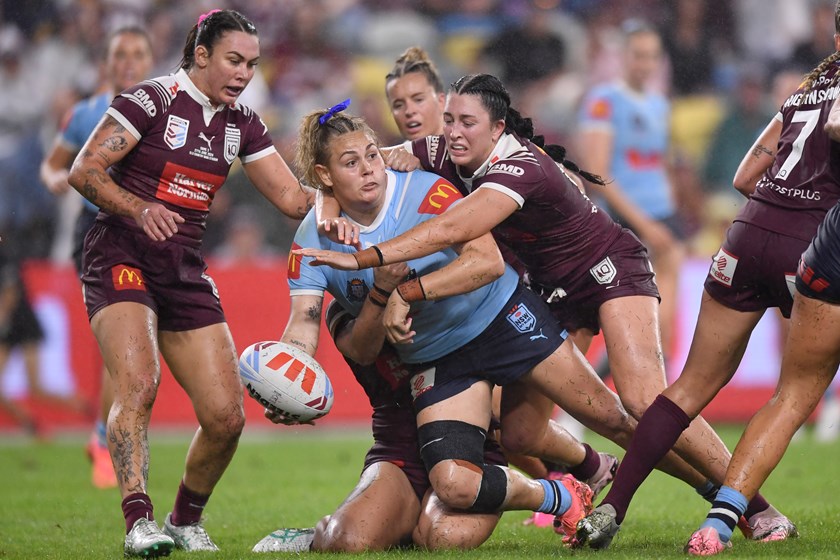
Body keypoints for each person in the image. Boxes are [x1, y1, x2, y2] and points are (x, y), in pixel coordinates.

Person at [299, 73, 781, 533]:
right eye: (448, 120)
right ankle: (613, 473)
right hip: (550, 293)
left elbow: (453, 229)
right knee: (523, 437)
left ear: (499, 128)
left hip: (606, 270)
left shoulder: (520, 167)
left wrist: (369, 262)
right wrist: (328, 209)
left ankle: (750, 504)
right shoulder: (442, 150)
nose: (453, 133)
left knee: (639, 401)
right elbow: (362, 163)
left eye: (467, 123)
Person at [271, 105, 650, 549]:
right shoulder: (314, 244)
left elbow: (486, 261)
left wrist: (403, 293)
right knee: (360, 540)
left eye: (372, 155)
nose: (369, 170)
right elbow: (322, 336)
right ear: (325, 174)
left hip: (491, 338)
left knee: (608, 414)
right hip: (412, 412)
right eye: (351, 163)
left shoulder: (425, 190)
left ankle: (724, 497)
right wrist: (285, 380)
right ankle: (560, 489)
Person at [66, 10, 355, 558]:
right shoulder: (149, 101)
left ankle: (183, 520)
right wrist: (138, 207)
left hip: (182, 268)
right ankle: (137, 523)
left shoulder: (241, 122)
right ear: (201, 55)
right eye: (234, 60)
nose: (245, 73)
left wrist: (350, 176)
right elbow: (84, 170)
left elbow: (295, 201)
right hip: (120, 255)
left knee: (225, 417)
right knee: (140, 383)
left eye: (252, 63)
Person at [577, 18, 840, 551]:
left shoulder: (804, 94)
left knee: (687, 389)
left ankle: (611, 507)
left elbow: (744, 178)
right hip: (810, 247)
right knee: (792, 396)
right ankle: (723, 522)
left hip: (744, 236)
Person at [384, 46, 616, 504]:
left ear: (442, 99)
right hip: (472, 309)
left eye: (419, 99)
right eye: (398, 103)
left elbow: (556, 181)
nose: (410, 111)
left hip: (538, 294)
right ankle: (574, 481)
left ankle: (585, 476)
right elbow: (356, 165)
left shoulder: (495, 153)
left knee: (516, 419)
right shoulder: (409, 167)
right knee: (510, 428)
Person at [40, 25, 154, 490]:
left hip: (147, 231)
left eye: (137, 54)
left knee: (138, 349)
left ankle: (108, 434)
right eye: (119, 54)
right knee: (123, 346)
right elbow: (54, 163)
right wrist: (54, 180)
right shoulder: (86, 114)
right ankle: (106, 437)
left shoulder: (162, 111)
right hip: (96, 233)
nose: (128, 62)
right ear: (106, 63)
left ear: (150, 61)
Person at [577, 20, 684, 361]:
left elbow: (661, 164)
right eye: (638, 55)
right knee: (614, 317)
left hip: (661, 211)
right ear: (623, 56)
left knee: (655, 324)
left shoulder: (660, 104)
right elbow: (598, 172)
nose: (645, 64)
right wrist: (647, 224)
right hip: (623, 216)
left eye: (652, 56)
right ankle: (579, 397)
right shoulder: (604, 100)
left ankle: (633, 400)